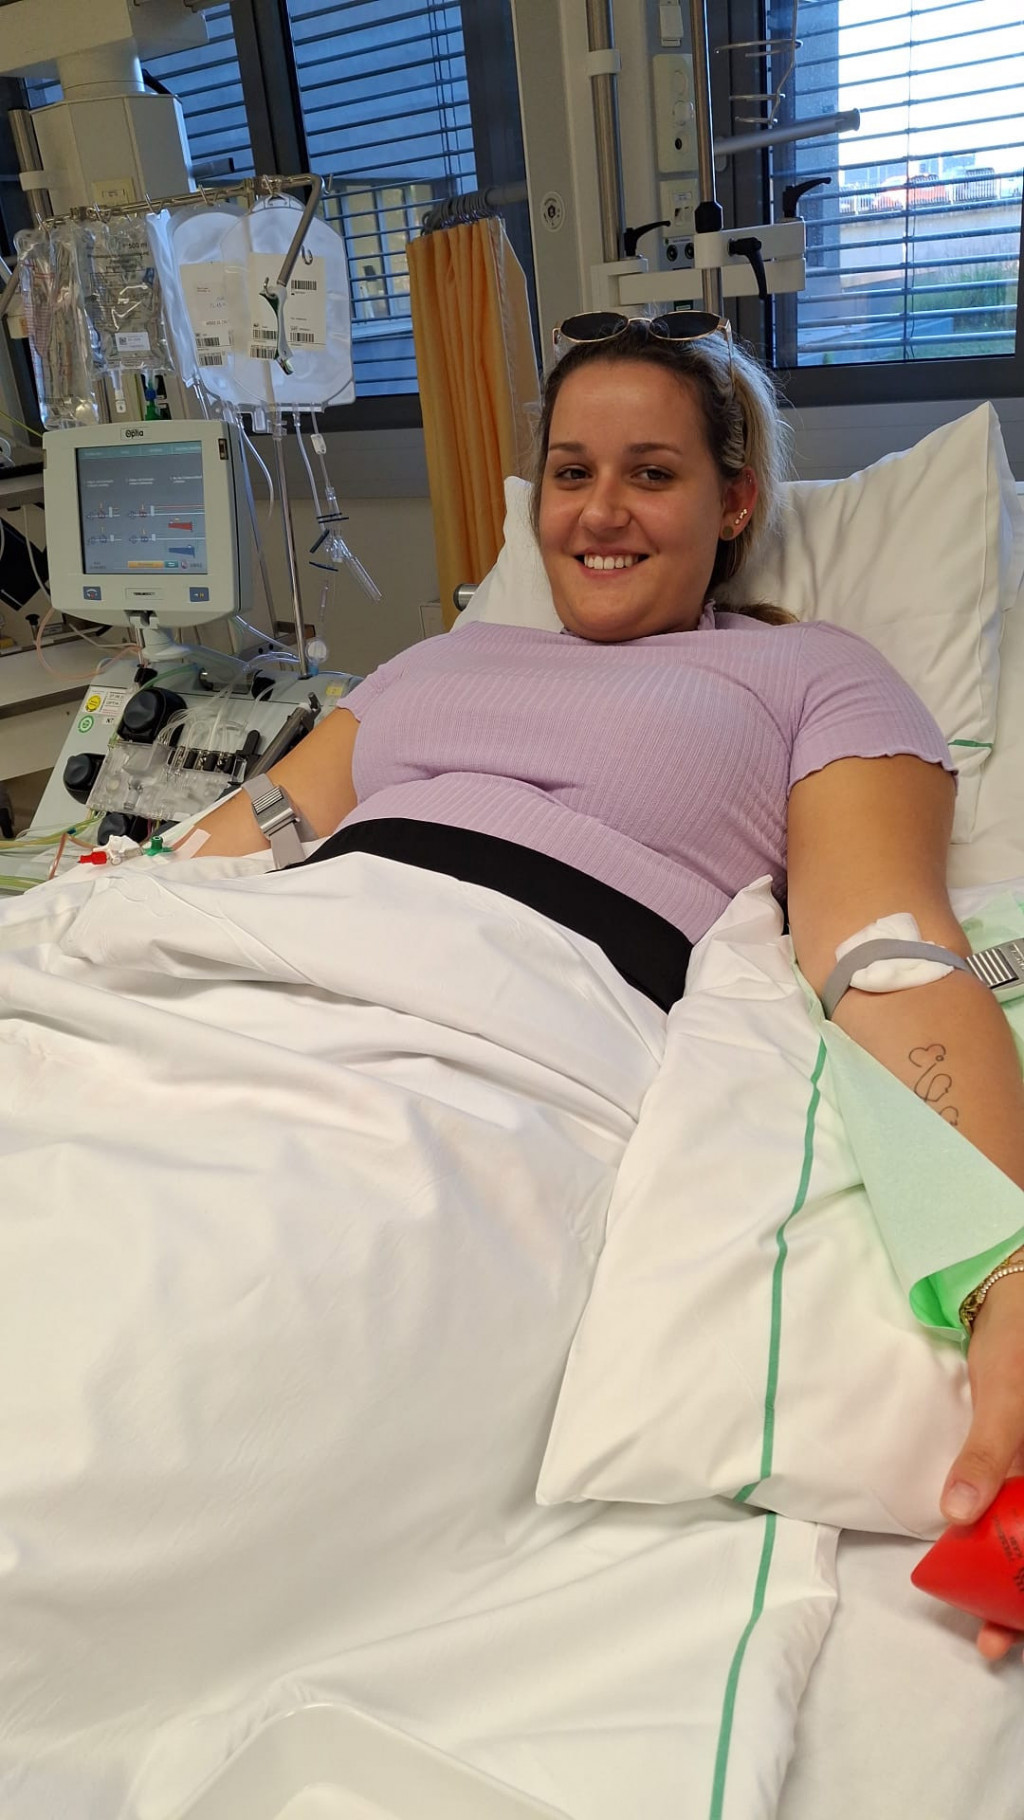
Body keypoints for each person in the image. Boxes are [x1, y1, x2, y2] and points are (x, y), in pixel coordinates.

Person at [193, 314, 1024, 1659]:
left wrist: (1003, 1262)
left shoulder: (813, 673)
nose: (599, 512)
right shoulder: (434, 663)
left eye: (652, 473)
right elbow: (231, 847)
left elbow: (886, 954)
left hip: (496, 1033)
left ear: (733, 500)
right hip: (262, 971)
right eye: (572, 473)